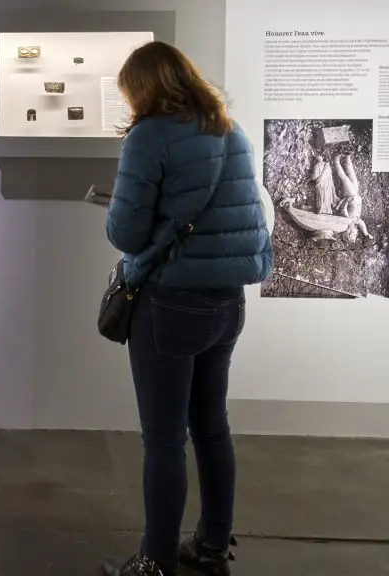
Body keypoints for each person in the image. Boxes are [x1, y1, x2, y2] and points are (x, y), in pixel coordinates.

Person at [100, 41, 273, 576]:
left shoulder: (150, 137)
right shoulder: (231, 130)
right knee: (212, 426)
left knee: (164, 438)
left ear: (143, 88)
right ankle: (213, 546)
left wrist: (117, 211)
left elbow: (125, 231)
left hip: (171, 304)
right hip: (227, 304)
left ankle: (155, 562)